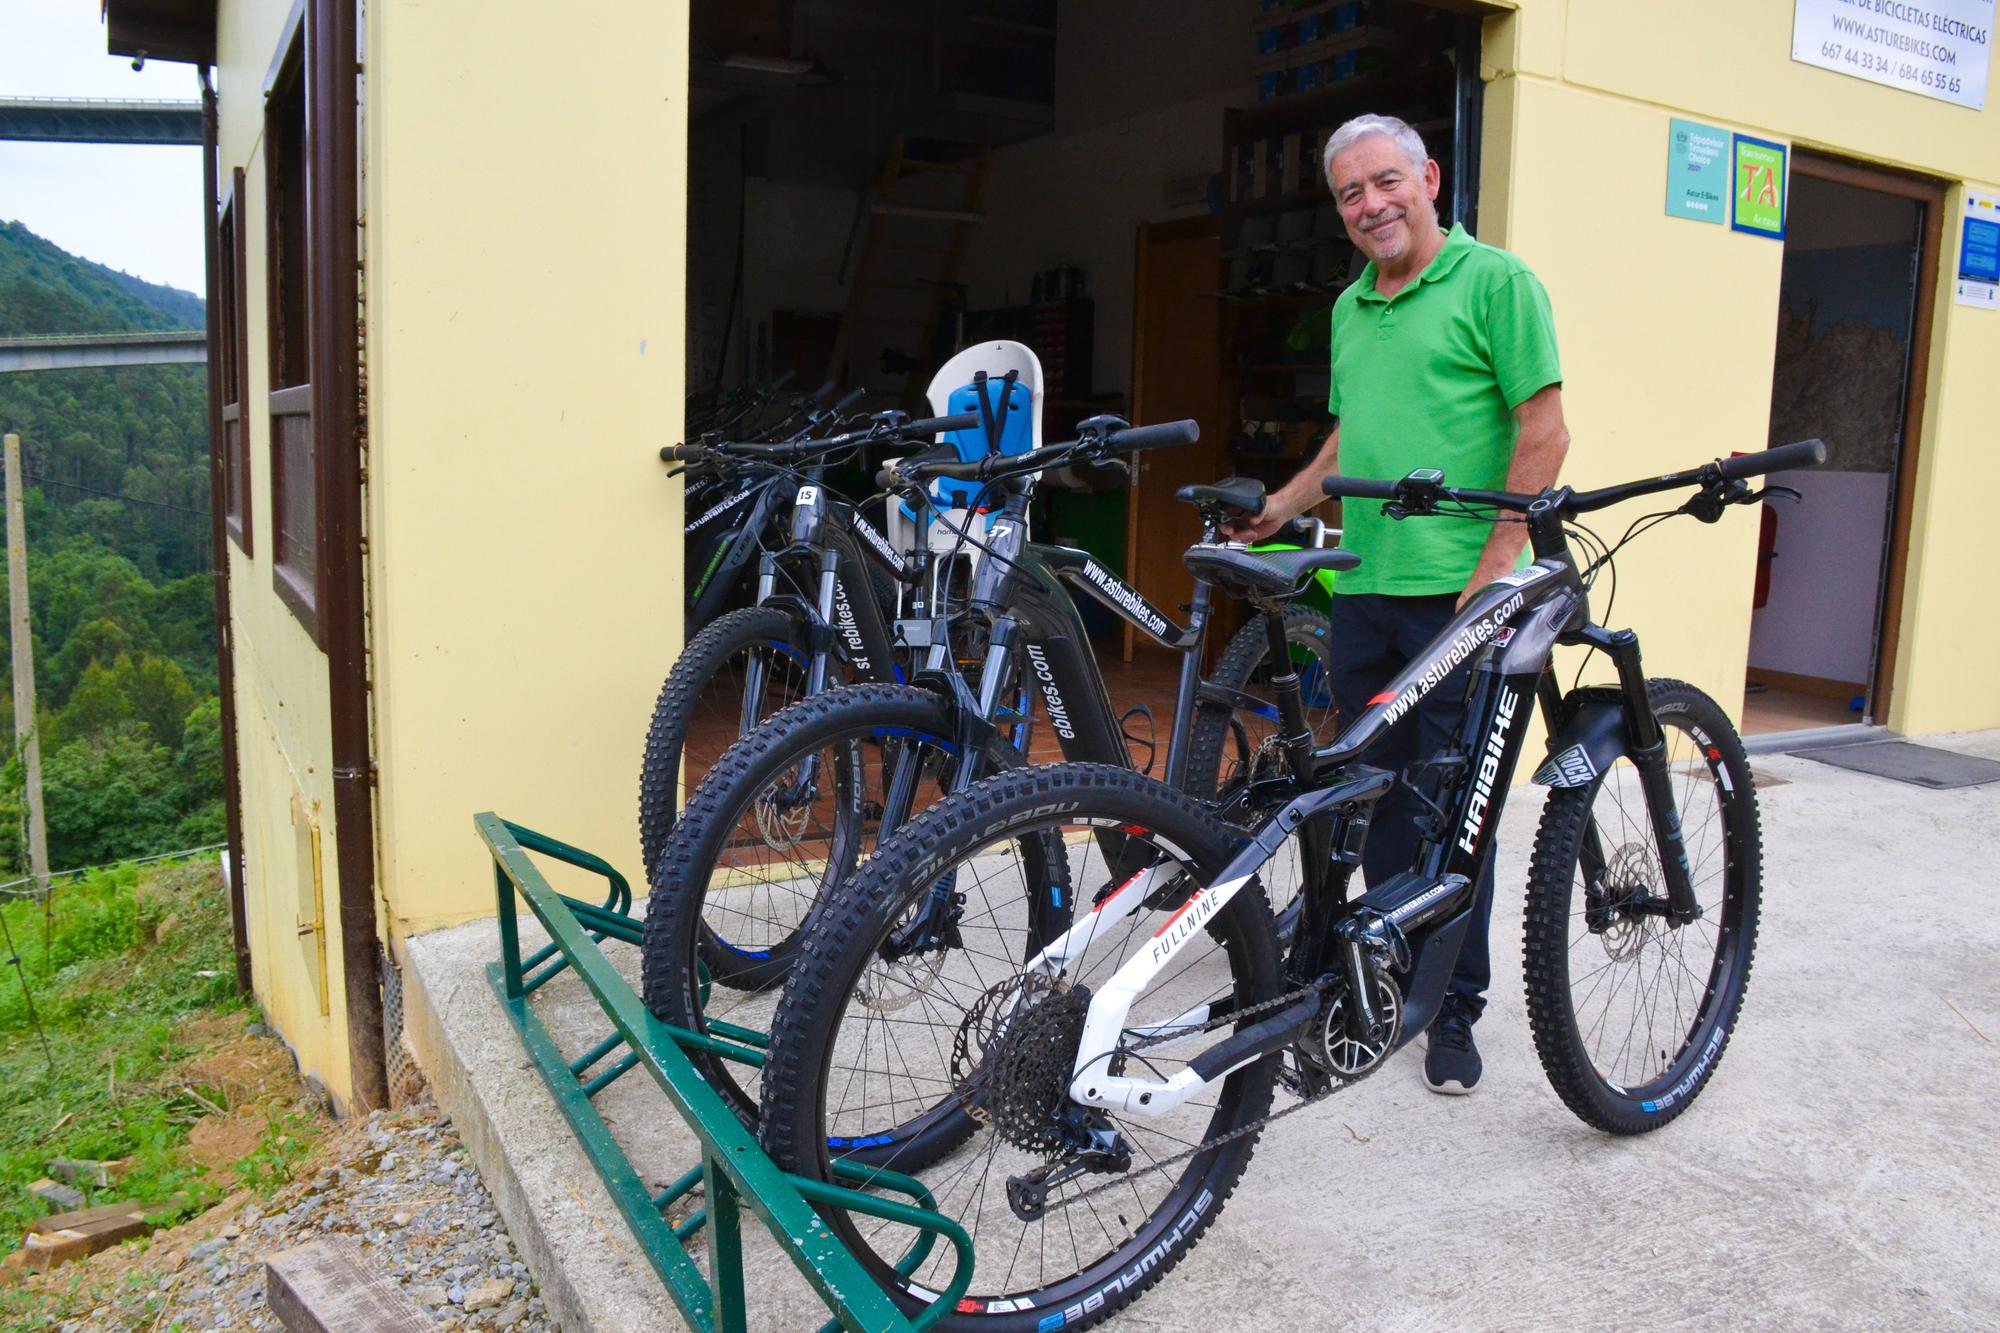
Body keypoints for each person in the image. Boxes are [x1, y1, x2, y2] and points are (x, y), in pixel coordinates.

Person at [1226, 113, 1569, 1095]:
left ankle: (1453, 1010)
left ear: (1425, 177)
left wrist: (1493, 574)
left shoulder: (1496, 284)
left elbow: (1541, 433)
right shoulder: (1348, 309)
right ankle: (1379, 977)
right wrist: (1278, 511)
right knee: (1372, 796)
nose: (1369, 204)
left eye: (1383, 182)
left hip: (1455, 594)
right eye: (1348, 194)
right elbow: (1348, 442)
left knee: (1453, 809)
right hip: (1364, 588)